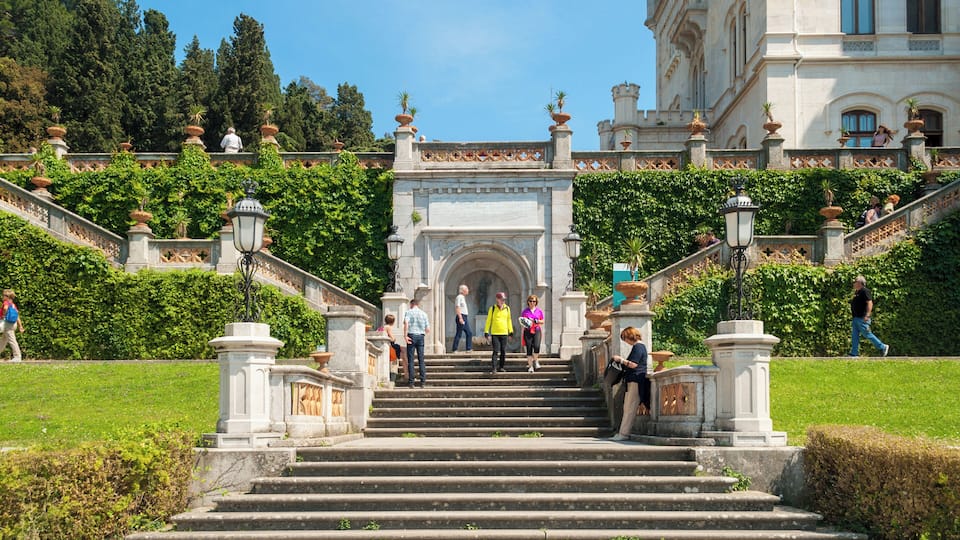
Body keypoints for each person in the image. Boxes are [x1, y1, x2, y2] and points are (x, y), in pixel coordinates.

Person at [609, 326, 649, 441]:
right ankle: (622, 433)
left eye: (624, 338)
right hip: (635, 379)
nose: (625, 341)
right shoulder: (640, 347)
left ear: (629, 336)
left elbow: (633, 364)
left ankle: (623, 434)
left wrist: (620, 359)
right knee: (628, 407)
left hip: (635, 379)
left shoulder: (638, 347)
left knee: (629, 407)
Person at [849, 275, 889, 358]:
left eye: (855, 282)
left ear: (860, 283)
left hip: (862, 318)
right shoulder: (857, 292)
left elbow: (870, 303)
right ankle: (854, 353)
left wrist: (867, 315)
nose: (853, 283)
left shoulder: (865, 291)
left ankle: (882, 346)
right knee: (854, 336)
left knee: (867, 334)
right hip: (856, 318)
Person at [402, 299, 430, 388]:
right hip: (421, 336)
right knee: (421, 359)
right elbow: (428, 329)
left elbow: (406, 323)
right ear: (418, 304)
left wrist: (405, 335)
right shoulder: (424, 314)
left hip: (411, 335)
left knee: (411, 360)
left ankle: (411, 382)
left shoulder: (409, 312)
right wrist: (422, 331)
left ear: (411, 304)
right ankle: (423, 382)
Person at [483, 292, 513, 373]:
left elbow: (509, 320)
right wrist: (486, 331)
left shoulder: (507, 308)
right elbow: (488, 321)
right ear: (497, 299)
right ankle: (494, 368)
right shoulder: (492, 309)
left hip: (504, 333)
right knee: (496, 351)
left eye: (504, 299)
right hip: (495, 333)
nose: (503, 301)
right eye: (501, 299)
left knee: (503, 351)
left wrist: (511, 331)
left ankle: (501, 367)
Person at [520, 294, 545, 372]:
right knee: (529, 348)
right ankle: (530, 366)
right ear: (528, 302)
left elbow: (542, 321)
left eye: (534, 301)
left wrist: (535, 321)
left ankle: (536, 360)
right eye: (530, 301)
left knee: (537, 346)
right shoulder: (525, 311)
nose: (532, 303)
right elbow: (522, 322)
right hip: (527, 330)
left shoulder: (539, 311)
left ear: (536, 302)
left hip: (536, 329)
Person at [1, 289, 24, 363]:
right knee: (4, 340)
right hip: (13, 324)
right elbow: (17, 316)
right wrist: (20, 326)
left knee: (12, 340)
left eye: (3, 295)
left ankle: (17, 356)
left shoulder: (6, 303)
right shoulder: (13, 305)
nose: (2, 297)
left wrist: (3, 315)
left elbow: (5, 308)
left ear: (7, 296)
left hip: (7, 324)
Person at [380, 314, 403, 381]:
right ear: (393, 322)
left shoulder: (382, 327)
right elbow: (392, 338)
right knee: (394, 362)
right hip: (389, 347)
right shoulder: (388, 327)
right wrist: (394, 338)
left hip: (383, 346)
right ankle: (393, 379)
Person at [451, 284, 472, 353]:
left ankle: (468, 348)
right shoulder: (459, 297)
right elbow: (457, 307)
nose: (468, 290)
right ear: (463, 290)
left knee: (468, 333)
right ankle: (455, 349)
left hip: (464, 316)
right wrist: (460, 318)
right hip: (461, 316)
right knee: (459, 333)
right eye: (467, 289)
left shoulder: (462, 297)